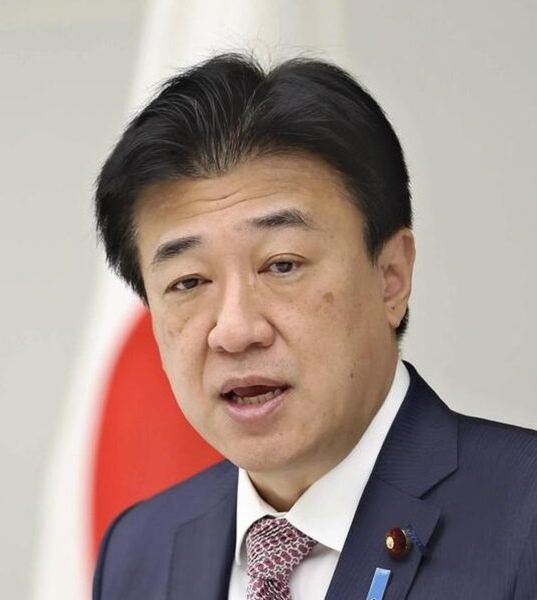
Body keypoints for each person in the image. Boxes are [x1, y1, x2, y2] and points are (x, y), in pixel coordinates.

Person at [91, 53, 537, 599]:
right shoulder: (139, 551)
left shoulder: (525, 516)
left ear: (391, 278)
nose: (235, 331)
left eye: (282, 265)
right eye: (188, 281)